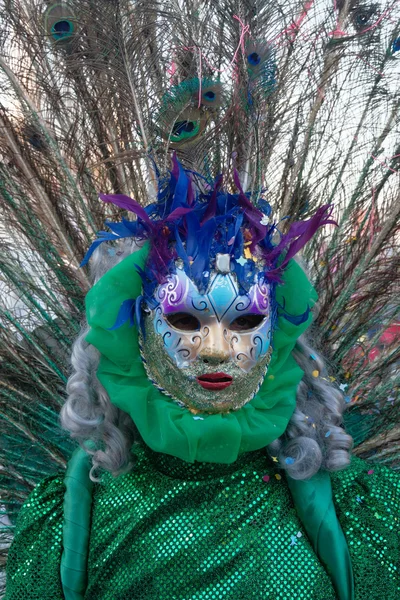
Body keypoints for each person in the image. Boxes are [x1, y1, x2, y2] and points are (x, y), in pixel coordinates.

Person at [4, 160, 400, 600]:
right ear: (134, 331)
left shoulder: (359, 513)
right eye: (186, 319)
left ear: (277, 335)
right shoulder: (72, 520)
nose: (216, 348)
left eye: (245, 319)